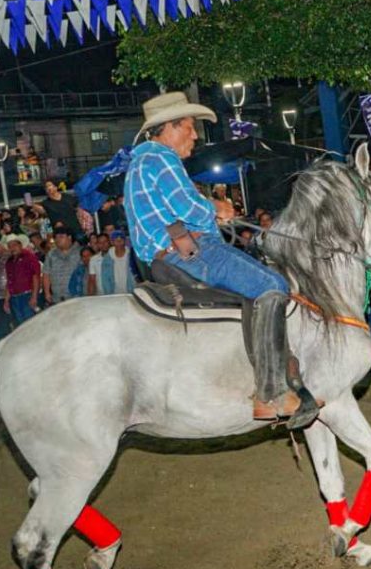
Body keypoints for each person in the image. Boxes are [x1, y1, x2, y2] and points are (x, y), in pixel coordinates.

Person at [125, 92, 319, 426]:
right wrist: (218, 208)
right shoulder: (160, 158)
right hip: (192, 254)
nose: (195, 135)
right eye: (189, 126)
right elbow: (187, 207)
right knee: (273, 284)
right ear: (169, 127)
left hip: (166, 255)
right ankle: (271, 390)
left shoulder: (139, 164)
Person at [3, 234, 41, 325]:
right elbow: (9, 281)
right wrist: (7, 300)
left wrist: (34, 296)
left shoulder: (29, 257)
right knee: (22, 324)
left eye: (14, 245)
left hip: (27, 294)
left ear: (20, 245)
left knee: (31, 323)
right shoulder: (9, 261)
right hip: (15, 297)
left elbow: (35, 276)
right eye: (10, 246)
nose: (12, 248)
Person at [41, 227, 83, 305]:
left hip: (77, 297)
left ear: (69, 237)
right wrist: (47, 293)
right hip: (57, 298)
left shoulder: (80, 252)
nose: (58, 240)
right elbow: (46, 274)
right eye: (56, 237)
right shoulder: (51, 254)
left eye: (61, 237)